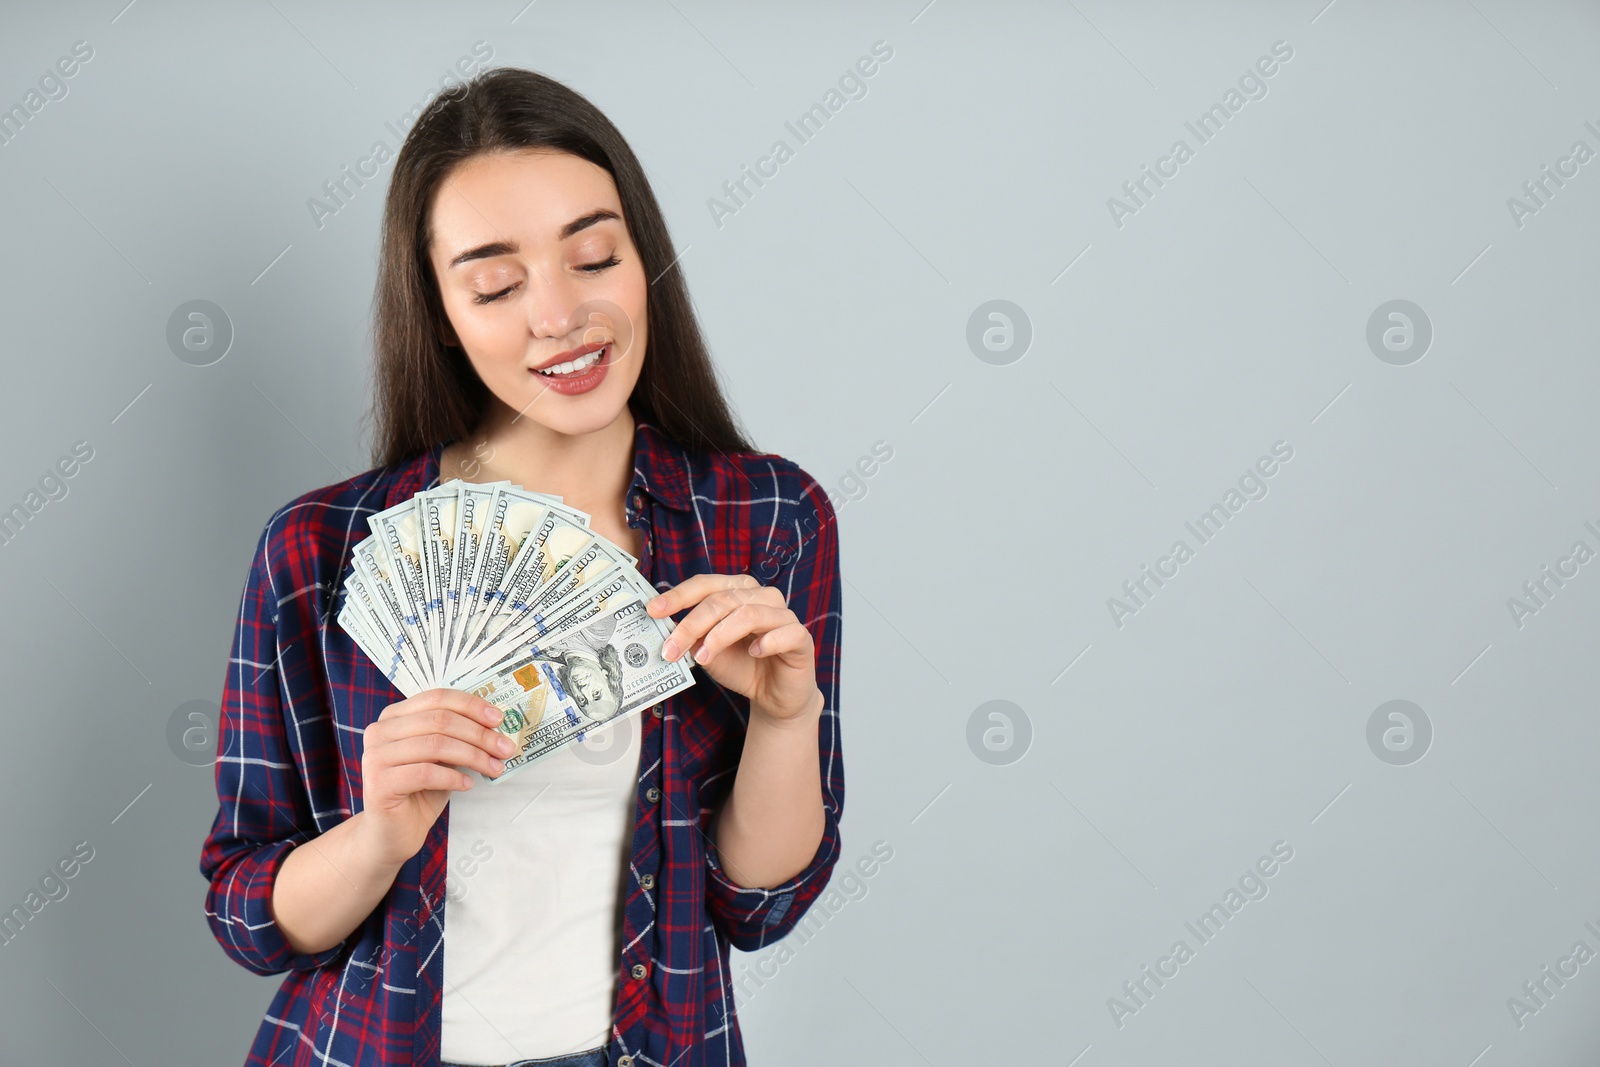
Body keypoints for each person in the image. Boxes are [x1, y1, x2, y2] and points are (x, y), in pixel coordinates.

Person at [199, 66, 844, 1067]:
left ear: (643, 263)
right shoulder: (322, 549)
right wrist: (379, 834)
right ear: (441, 313)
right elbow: (248, 914)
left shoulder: (763, 519)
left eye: (593, 255)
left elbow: (757, 900)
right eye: (496, 283)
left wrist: (785, 714)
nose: (558, 314)